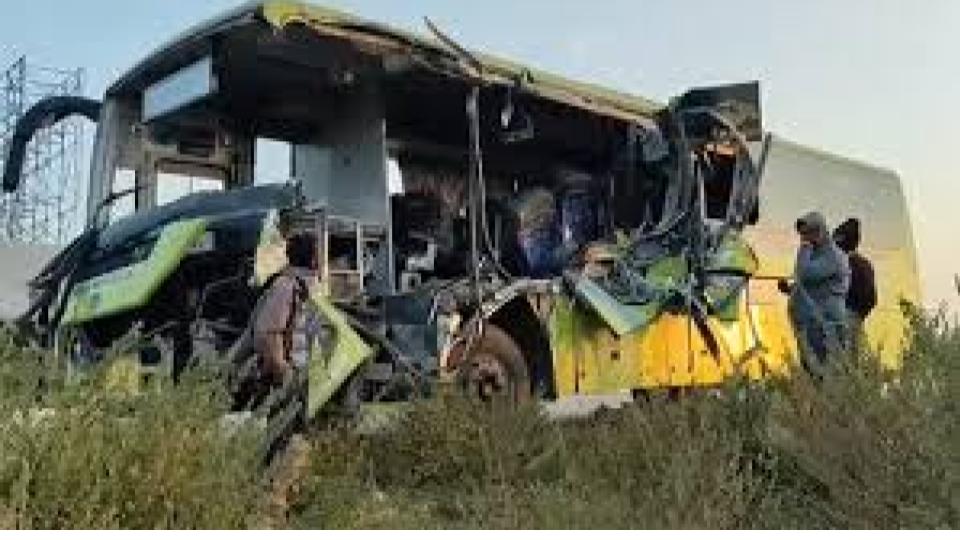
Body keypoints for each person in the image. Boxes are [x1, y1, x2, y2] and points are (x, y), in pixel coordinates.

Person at [778, 211, 851, 379]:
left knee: (824, 372)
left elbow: (805, 274)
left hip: (826, 325)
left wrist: (804, 247)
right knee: (811, 371)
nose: (804, 238)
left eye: (807, 233)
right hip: (810, 325)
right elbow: (809, 285)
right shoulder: (816, 253)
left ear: (819, 231)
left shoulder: (832, 255)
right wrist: (790, 290)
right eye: (802, 234)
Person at [832, 217, 877, 330]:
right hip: (857, 324)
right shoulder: (866, 265)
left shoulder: (840, 264)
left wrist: (789, 290)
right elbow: (873, 300)